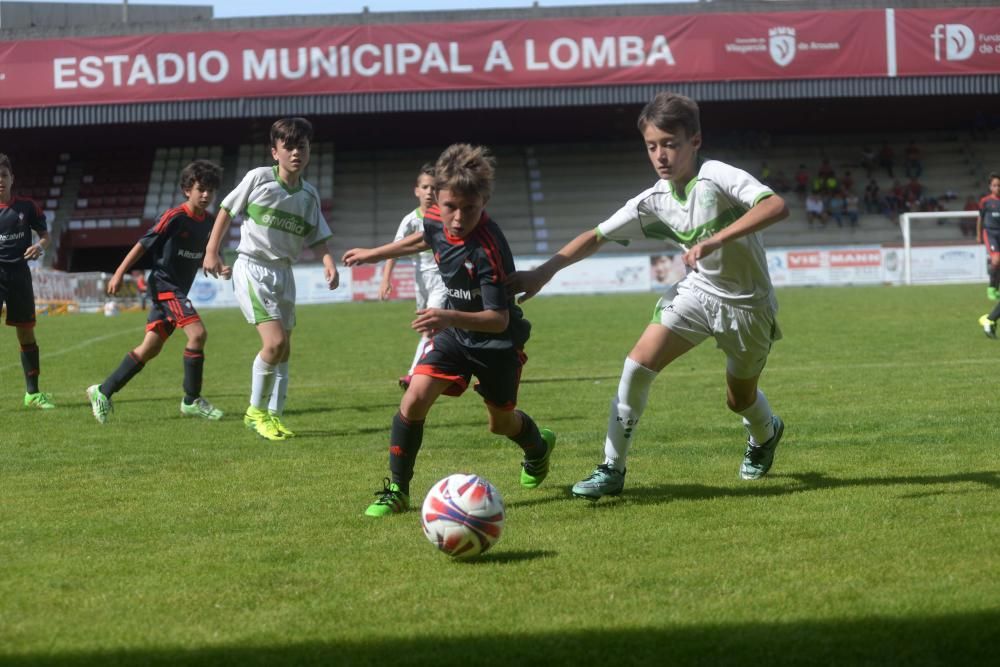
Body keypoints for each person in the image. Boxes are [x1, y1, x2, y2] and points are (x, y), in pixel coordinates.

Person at [508, 92, 788, 500]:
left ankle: (766, 433)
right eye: (652, 146)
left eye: (670, 144)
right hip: (697, 294)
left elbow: (776, 206)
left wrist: (715, 240)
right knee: (638, 365)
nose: (661, 155)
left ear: (694, 141)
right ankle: (611, 468)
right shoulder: (653, 200)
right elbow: (596, 236)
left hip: (747, 307)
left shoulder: (718, 176)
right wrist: (543, 271)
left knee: (738, 399)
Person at [342, 143, 555, 517]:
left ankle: (537, 448)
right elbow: (426, 236)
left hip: (496, 344)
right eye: (449, 206)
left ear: (484, 200)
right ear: (438, 198)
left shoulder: (488, 248)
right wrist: (376, 254)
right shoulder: (437, 218)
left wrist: (446, 316)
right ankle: (397, 489)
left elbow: (498, 318)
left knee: (501, 423)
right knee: (414, 399)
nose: (456, 218)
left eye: (468, 208)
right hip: (455, 334)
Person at [202, 117, 339, 441]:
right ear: (274, 151)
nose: (295, 153)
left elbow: (316, 235)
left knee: (285, 349)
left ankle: (274, 416)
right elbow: (225, 210)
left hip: (284, 272)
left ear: (308, 151)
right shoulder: (258, 178)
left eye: (301, 147)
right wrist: (211, 251)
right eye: (288, 147)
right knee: (274, 343)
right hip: (253, 266)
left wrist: (328, 260)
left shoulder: (309, 194)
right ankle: (255, 411)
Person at [86, 160, 226, 423]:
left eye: (211, 191)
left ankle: (102, 392)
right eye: (201, 189)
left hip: (177, 290)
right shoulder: (174, 217)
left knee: (149, 348)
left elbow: (208, 254)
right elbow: (143, 245)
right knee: (198, 334)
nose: (206, 195)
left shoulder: (209, 222)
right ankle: (191, 400)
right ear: (187, 189)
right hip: (164, 287)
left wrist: (219, 266)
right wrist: (119, 272)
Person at [378, 164, 447, 389]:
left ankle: (414, 373)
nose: (429, 192)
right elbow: (394, 249)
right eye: (425, 187)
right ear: (416, 190)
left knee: (430, 327)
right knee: (440, 328)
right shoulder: (410, 220)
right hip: (421, 279)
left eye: (434, 188)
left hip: (443, 279)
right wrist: (386, 279)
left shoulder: (447, 217)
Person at [0, 153, 55, 409]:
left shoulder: (27, 207)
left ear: (12, 178)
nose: (0, 181)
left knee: (26, 332)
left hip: (20, 276)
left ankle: (32, 394)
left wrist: (39, 246)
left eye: (3, 175)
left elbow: (45, 235)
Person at [975, 172, 1000, 301]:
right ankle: (991, 288)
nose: (997, 188)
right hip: (990, 233)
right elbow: (980, 218)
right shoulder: (985, 201)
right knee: (996, 260)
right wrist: (978, 235)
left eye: (999, 185)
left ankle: (996, 288)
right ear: (990, 187)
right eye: (994, 185)